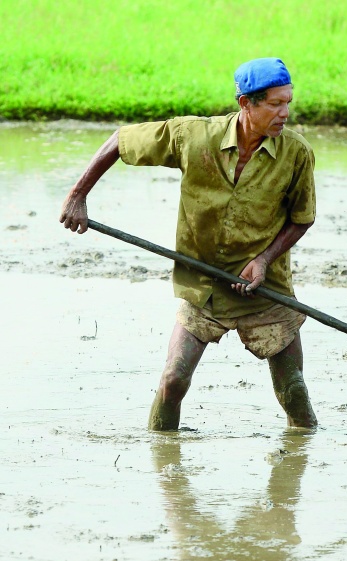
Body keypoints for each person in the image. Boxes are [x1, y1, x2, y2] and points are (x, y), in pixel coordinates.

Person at [59, 58, 318, 430]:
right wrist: (77, 196)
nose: (285, 113)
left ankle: (301, 459)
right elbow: (121, 140)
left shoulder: (296, 154)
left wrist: (264, 259)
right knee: (172, 382)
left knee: (293, 391)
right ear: (246, 103)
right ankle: (164, 466)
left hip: (265, 289)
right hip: (204, 285)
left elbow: (302, 218)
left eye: (288, 102)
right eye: (275, 104)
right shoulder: (195, 136)